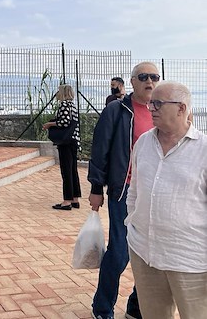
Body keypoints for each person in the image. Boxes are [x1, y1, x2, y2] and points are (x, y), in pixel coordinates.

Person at [126, 82, 207, 319]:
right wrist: (131, 225)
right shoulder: (143, 143)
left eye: (159, 103)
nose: (151, 108)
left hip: (190, 260)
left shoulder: (203, 150)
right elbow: (134, 191)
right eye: (152, 102)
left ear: (181, 108)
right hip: (145, 255)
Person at [88, 61, 160, 319]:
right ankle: (103, 307)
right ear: (133, 81)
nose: (149, 81)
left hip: (153, 193)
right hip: (124, 191)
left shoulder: (159, 113)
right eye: (143, 76)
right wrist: (97, 187)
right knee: (119, 252)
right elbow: (100, 149)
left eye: (154, 76)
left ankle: (135, 306)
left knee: (151, 255)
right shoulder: (118, 110)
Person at [42, 84, 81, 210]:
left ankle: (67, 201)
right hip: (73, 141)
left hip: (65, 142)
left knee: (66, 171)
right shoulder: (73, 106)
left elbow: (64, 122)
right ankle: (75, 198)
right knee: (73, 170)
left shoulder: (64, 105)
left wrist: (49, 124)